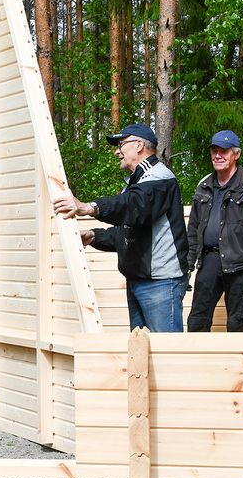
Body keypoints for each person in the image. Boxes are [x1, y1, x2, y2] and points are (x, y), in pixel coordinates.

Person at [53, 123, 188, 332]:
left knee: (165, 355)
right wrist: (94, 236)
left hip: (160, 283)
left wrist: (89, 207)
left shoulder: (159, 178)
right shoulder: (137, 182)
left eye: (121, 144)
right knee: (139, 353)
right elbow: (130, 231)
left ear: (139, 145)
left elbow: (134, 207)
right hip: (138, 281)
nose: (117, 151)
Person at [185, 130, 243, 332]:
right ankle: (197, 363)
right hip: (209, 262)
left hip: (242, 266)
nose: (218, 155)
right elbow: (193, 230)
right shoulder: (203, 185)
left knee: (237, 324)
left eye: (224, 151)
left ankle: (236, 364)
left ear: (236, 154)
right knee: (196, 321)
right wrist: (187, 266)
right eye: (214, 150)